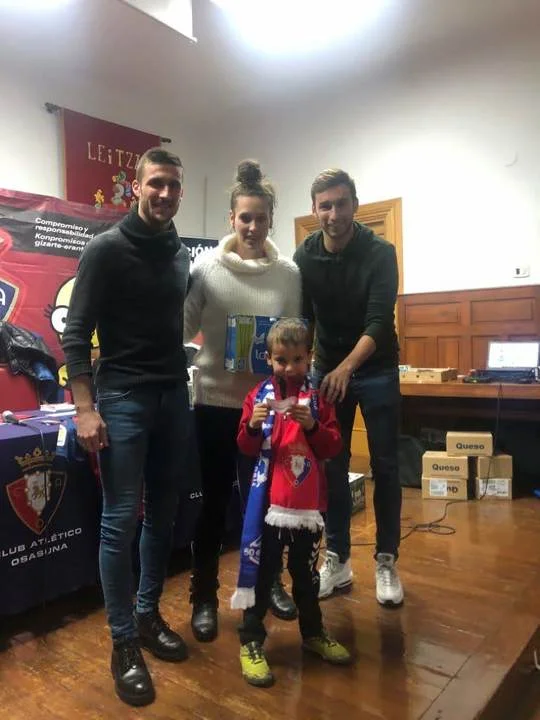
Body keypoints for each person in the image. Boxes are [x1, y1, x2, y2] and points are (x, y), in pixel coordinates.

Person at [62, 147, 192, 707]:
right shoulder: (106, 249)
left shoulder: (179, 253)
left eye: (173, 186)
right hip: (122, 397)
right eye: (156, 183)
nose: (165, 193)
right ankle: (122, 643)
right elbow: (75, 333)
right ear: (136, 187)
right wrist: (84, 408)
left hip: (173, 395)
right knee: (120, 521)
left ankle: (146, 615)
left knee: (163, 514)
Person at [184, 160, 301, 643]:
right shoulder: (205, 268)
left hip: (267, 409)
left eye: (261, 218)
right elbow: (182, 325)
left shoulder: (288, 274)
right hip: (214, 403)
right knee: (213, 503)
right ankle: (204, 597)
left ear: (272, 219)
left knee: (269, 502)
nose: (252, 227)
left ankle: (270, 581)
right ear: (231, 219)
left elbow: (294, 339)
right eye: (244, 218)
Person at [293, 168, 404, 607]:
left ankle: (386, 560)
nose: (334, 214)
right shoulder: (304, 257)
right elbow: (304, 319)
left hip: (376, 368)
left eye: (341, 203)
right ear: (314, 209)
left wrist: (345, 369)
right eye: (325, 206)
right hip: (326, 369)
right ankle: (337, 559)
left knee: (386, 466)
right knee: (331, 466)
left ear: (355, 205)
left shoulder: (380, 252)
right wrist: (299, 369)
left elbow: (378, 322)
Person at [231, 318, 351, 687]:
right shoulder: (258, 396)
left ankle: (313, 633)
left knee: (305, 573)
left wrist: (313, 425)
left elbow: (332, 447)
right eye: (281, 360)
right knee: (263, 572)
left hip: (309, 504)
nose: (289, 367)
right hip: (268, 504)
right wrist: (253, 425)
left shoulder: (318, 398)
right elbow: (245, 446)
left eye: (297, 359)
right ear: (269, 358)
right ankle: (251, 641)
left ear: (309, 357)